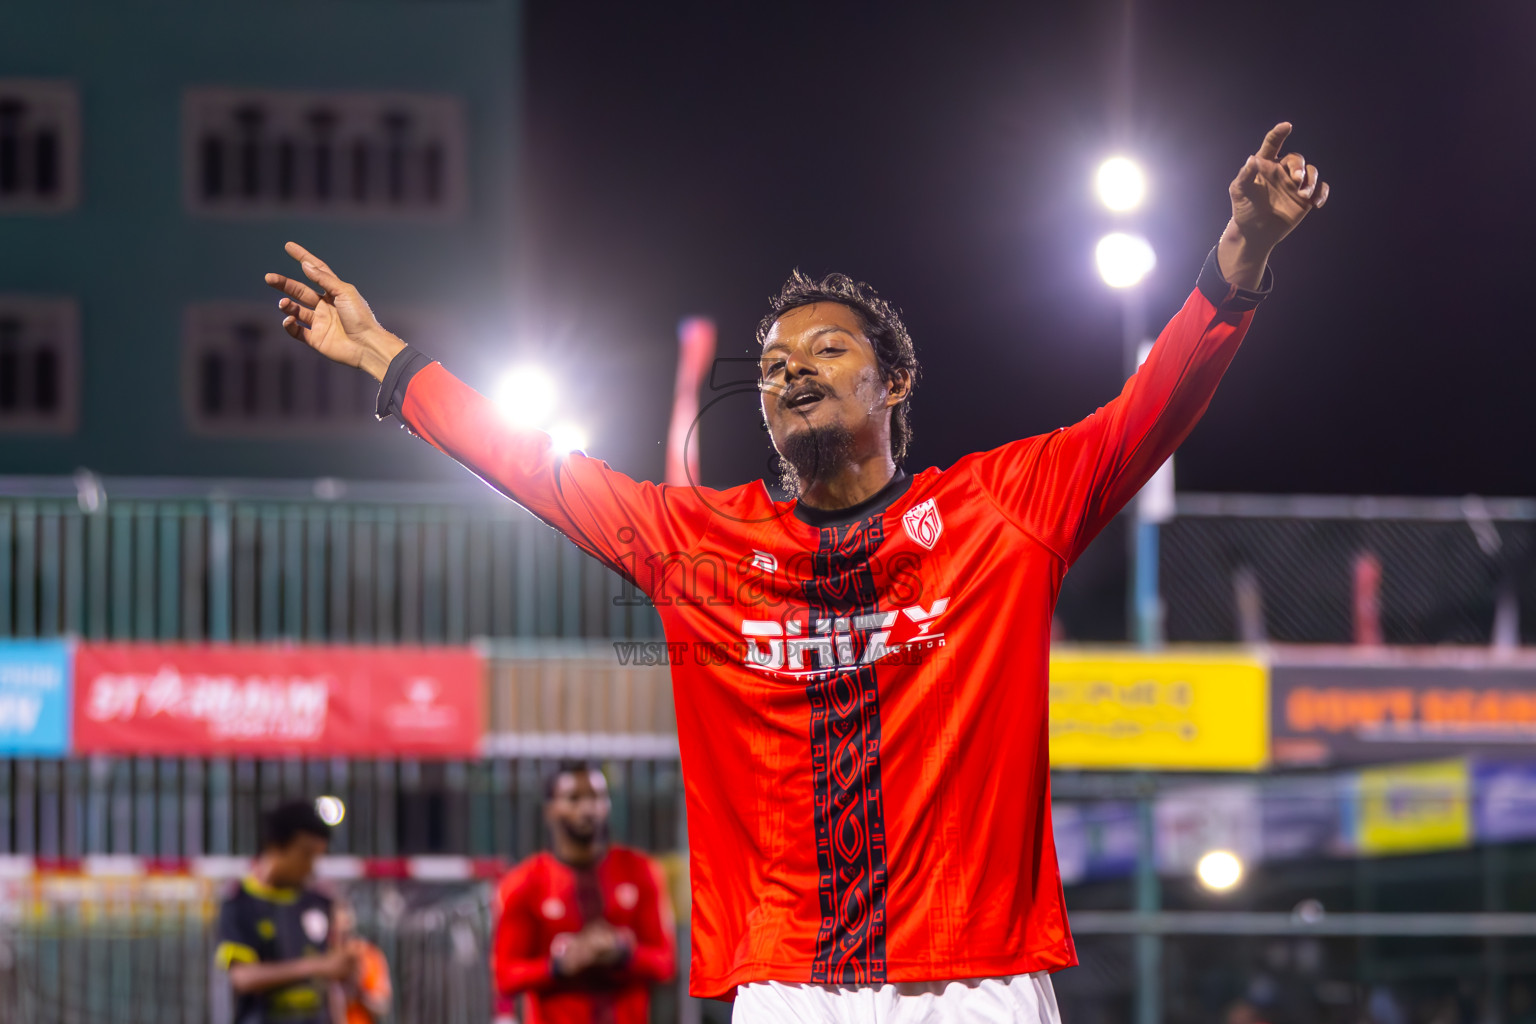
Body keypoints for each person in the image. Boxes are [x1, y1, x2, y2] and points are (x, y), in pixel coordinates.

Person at [262, 122, 1328, 1022]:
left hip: (976, 978)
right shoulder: (700, 544)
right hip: (791, 984)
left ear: (893, 381)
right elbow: (534, 468)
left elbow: (1149, 414)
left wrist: (1238, 253)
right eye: (772, 366)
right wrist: (393, 364)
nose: (789, 373)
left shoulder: (1000, 509)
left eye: (822, 351)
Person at [490, 761, 677, 1024]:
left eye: (597, 797)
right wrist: (557, 966)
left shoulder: (640, 871)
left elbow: (665, 964)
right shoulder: (524, 883)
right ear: (550, 809)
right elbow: (505, 976)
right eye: (574, 798)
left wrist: (622, 952)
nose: (588, 809)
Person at [215, 801, 354, 1024]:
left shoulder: (321, 902)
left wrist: (349, 962)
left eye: (317, 857)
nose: (311, 866)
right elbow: (243, 978)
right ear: (275, 847)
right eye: (306, 855)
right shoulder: (240, 903)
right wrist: (315, 966)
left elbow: (335, 984)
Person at [331, 901, 392, 1024]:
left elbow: (383, 1006)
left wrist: (358, 991)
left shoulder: (368, 955)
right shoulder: (319, 957)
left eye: (345, 930)